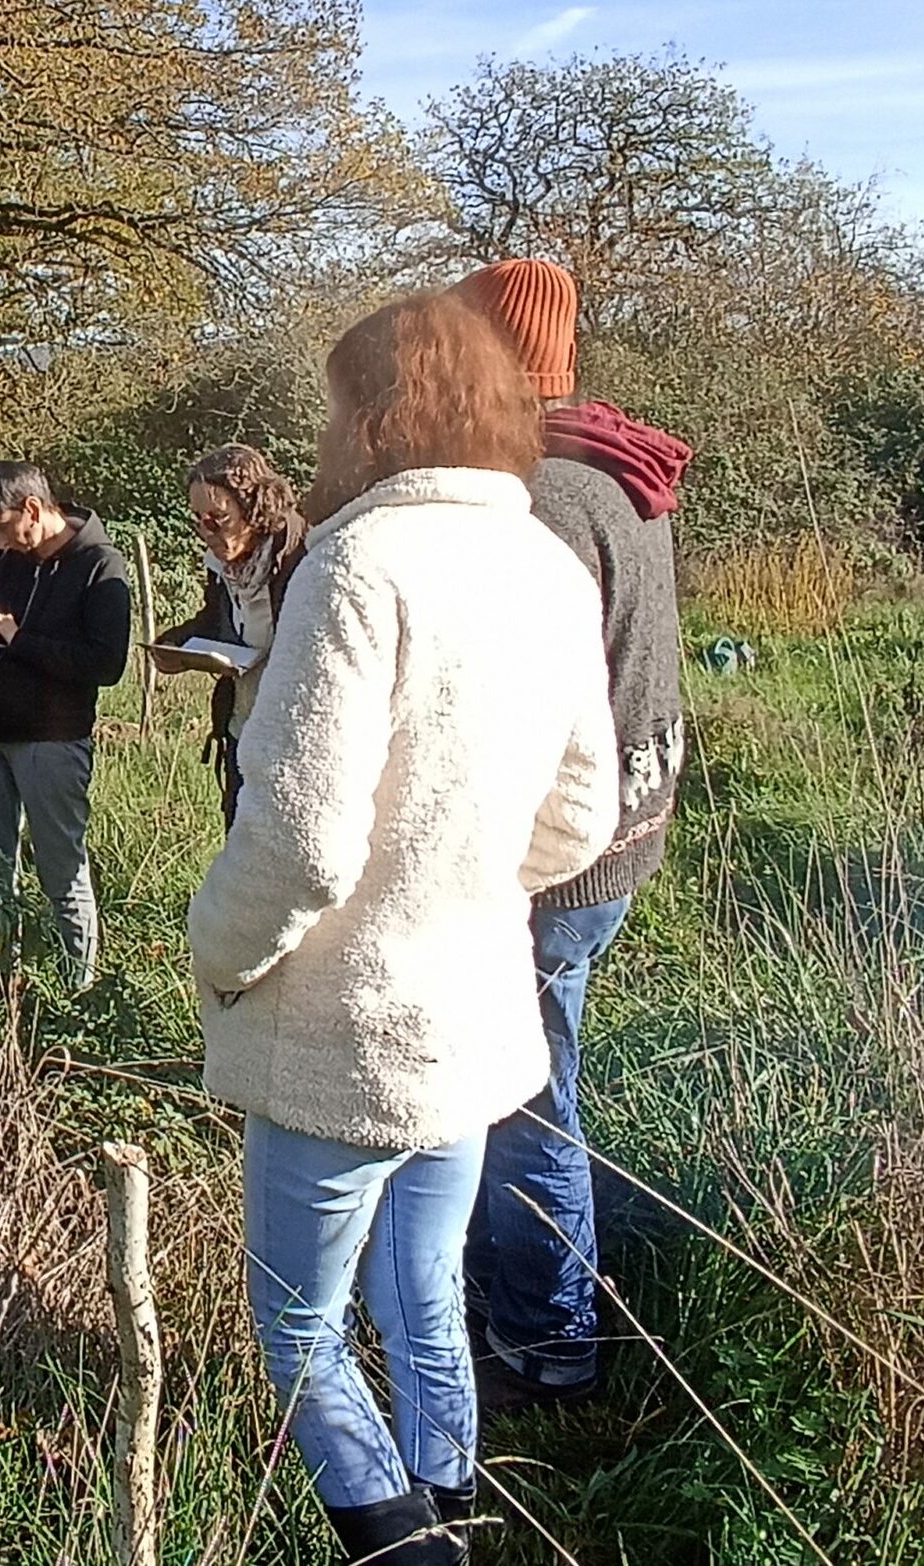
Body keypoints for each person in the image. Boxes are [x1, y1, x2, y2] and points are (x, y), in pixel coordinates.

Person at [188, 293, 619, 1563]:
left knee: (299, 1328)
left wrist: (220, 951)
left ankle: (406, 1551)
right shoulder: (542, 558)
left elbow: (303, 837)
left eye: (331, 409)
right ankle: (458, 1516)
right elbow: (583, 811)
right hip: (474, 1020)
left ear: (376, 421)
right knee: (424, 1302)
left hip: (343, 1028)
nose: (320, 437)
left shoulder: (357, 563)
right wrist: (459, 877)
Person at [448, 258, 691, 1413]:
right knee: (538, 1072)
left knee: (525, 1091)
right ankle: (515, 1295)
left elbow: (511, 702)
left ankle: (550, 1339)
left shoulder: (534, 494)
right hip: (627, 827)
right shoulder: (617, 467)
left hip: (556, 850)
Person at [0, 461, 130, 993]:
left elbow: (106, 665)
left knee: (61, 876)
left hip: (52, 741)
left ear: (34, 511)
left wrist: (18, 641)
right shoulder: (15, 560)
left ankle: (76, 993)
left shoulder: (101, 568)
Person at [154, 443, 309, 826]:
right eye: (198, 519)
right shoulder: (223, 564)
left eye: (217, 517)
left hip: (296, 740)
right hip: (242, 730)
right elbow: (214, 621)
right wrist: (177, 644)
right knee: (240, 848)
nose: (206, 531)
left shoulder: (304, 556)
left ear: (254, 506)